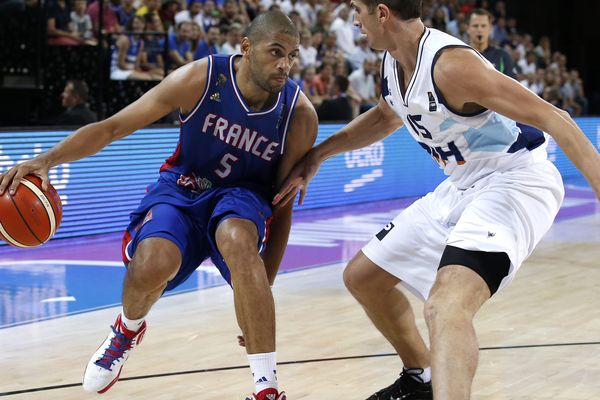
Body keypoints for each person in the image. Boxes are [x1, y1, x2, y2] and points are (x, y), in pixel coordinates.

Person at [272, 1, 600, 399]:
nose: (353, 20)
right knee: (363, 277)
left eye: (357, 9)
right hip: (461, 185)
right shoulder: (393, 62)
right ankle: (421, 376)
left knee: (446, 306)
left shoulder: (451, 65)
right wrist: (318, 155)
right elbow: (385, 115)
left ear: (382, 12)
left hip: (515, 180)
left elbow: (556, 119)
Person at [0, 11, 317, 400]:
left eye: (293, 55)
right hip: (183, 187)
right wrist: (47, 159)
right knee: (151, 263)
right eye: (276, 52)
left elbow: (282, 206)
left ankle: (266, 388)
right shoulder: (201, 79)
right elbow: (113, 127)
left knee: (237, 238)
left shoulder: (299, 115)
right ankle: (127, 330)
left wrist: (262, 287)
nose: (285, 64)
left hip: (241, 198)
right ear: (246, 48)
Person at [467, 8, 516, 79]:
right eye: (475, 26)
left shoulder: (502, 56)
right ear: (468, 28)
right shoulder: (459, 55)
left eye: (483, 26)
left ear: (490, 28)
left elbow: (512, 86)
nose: (479, 30)